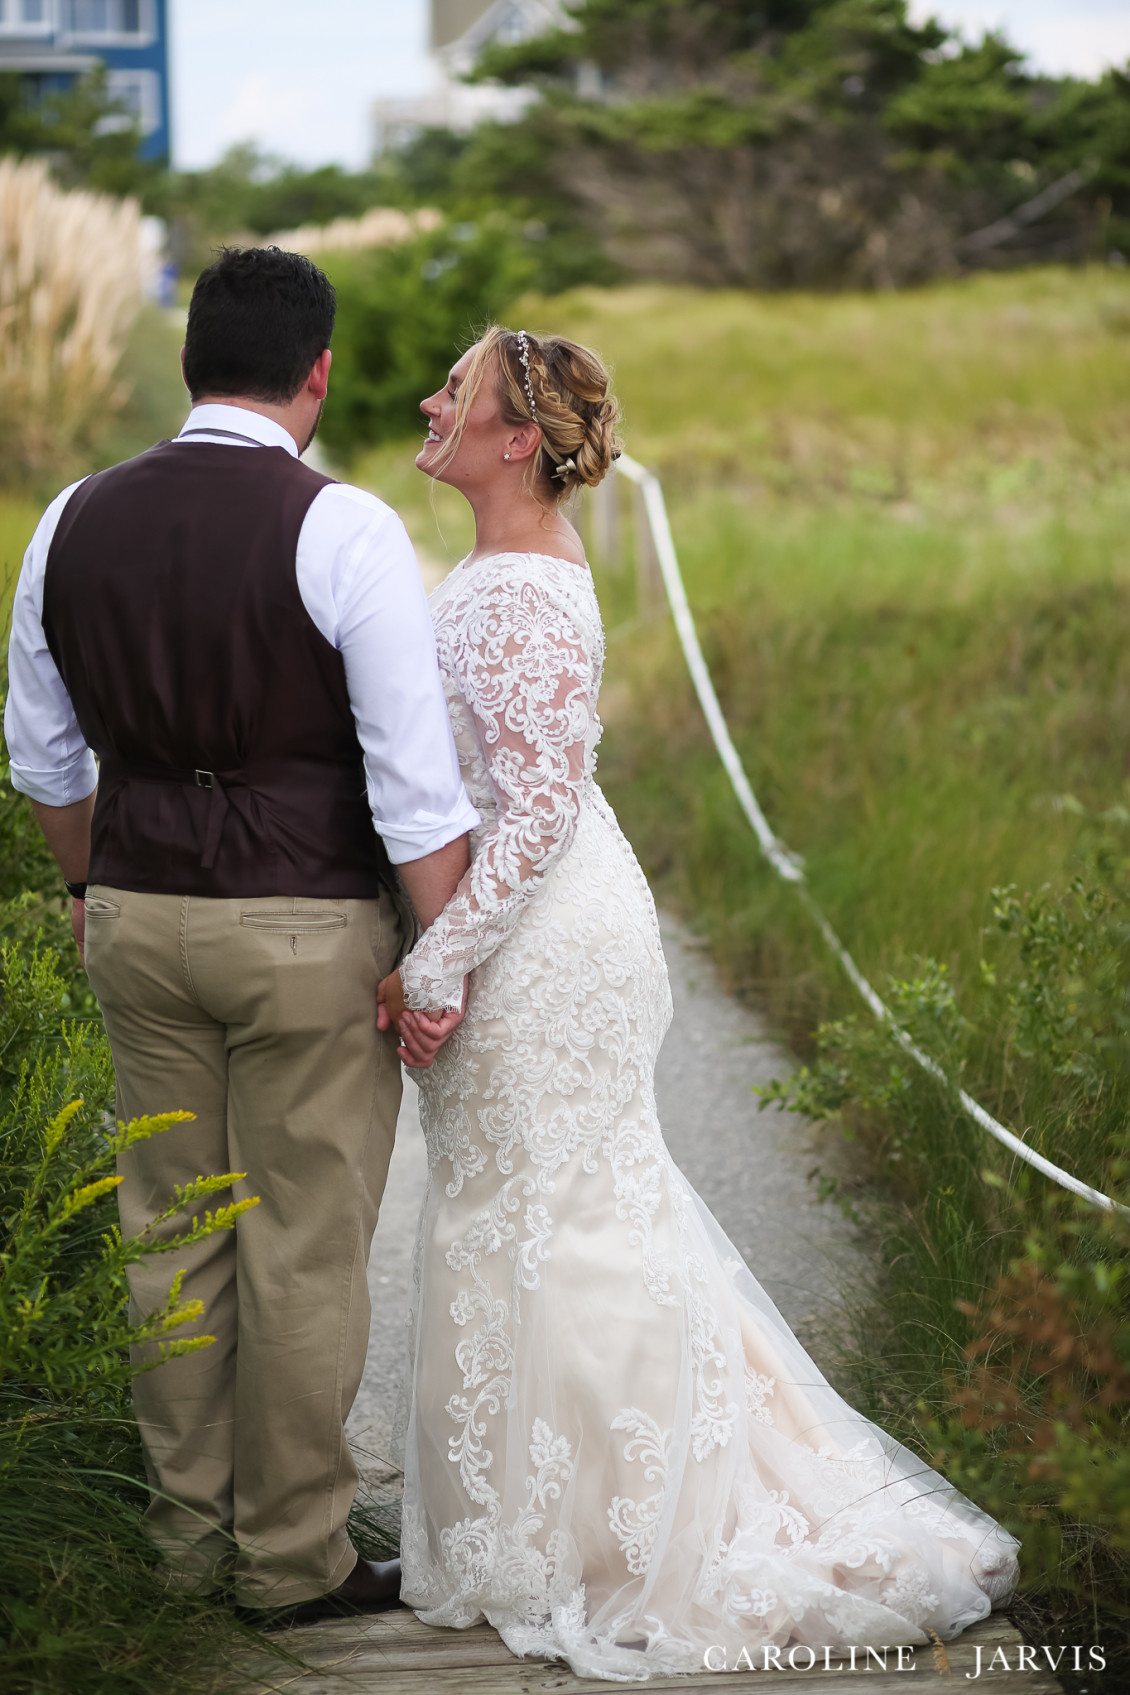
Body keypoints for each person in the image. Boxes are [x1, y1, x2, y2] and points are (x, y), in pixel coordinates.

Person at [374, 326, 1021, 1681]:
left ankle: (629, 1533)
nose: (429, 403)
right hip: (534, 924)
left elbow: (539, 807)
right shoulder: (497, 571)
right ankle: (541, 1523)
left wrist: (437, 963)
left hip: (544, 944)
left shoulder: (518, 593)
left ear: (511, 441)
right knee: (540, 1208)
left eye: (458, 392)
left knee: (563, 1218)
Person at [3, 246, 479, 1622]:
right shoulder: (343, 528)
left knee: (172, 1238)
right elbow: (413, 786)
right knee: (303, 1246)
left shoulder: (67, 516)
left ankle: (173, 1550)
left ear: (189, 362)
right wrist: (436, 958)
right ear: (315, 373)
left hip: (138, 919)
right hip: (303, 929)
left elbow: (44, 763)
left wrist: (98, 893)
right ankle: (290, 1563)